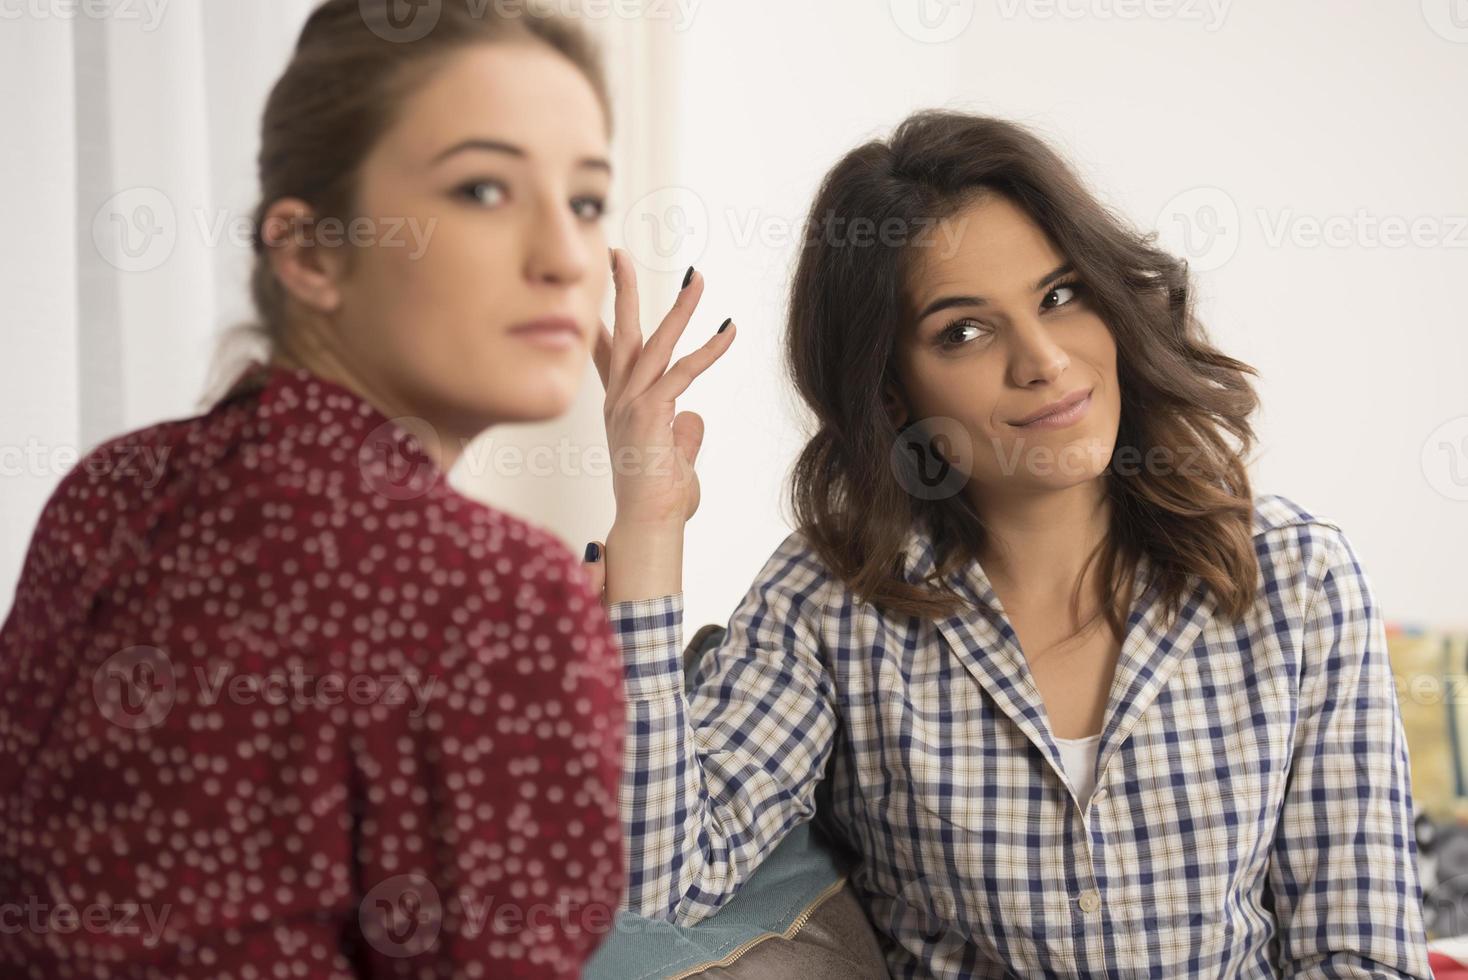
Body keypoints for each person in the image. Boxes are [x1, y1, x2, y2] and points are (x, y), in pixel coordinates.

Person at [579, 110, 1434, 977]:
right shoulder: (831, 599)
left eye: (1061, 296)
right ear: (892, 389)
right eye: (964, 330)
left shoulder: (1300, 579)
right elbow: (660, 889)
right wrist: (648, 526)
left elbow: (1363, 956)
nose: (1045, 360)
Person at [0, 1, 738, 975]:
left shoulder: (109, 489)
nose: (564, 256)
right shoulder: (502, 594)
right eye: (483, 188)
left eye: (587, 201)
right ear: (309, 252)